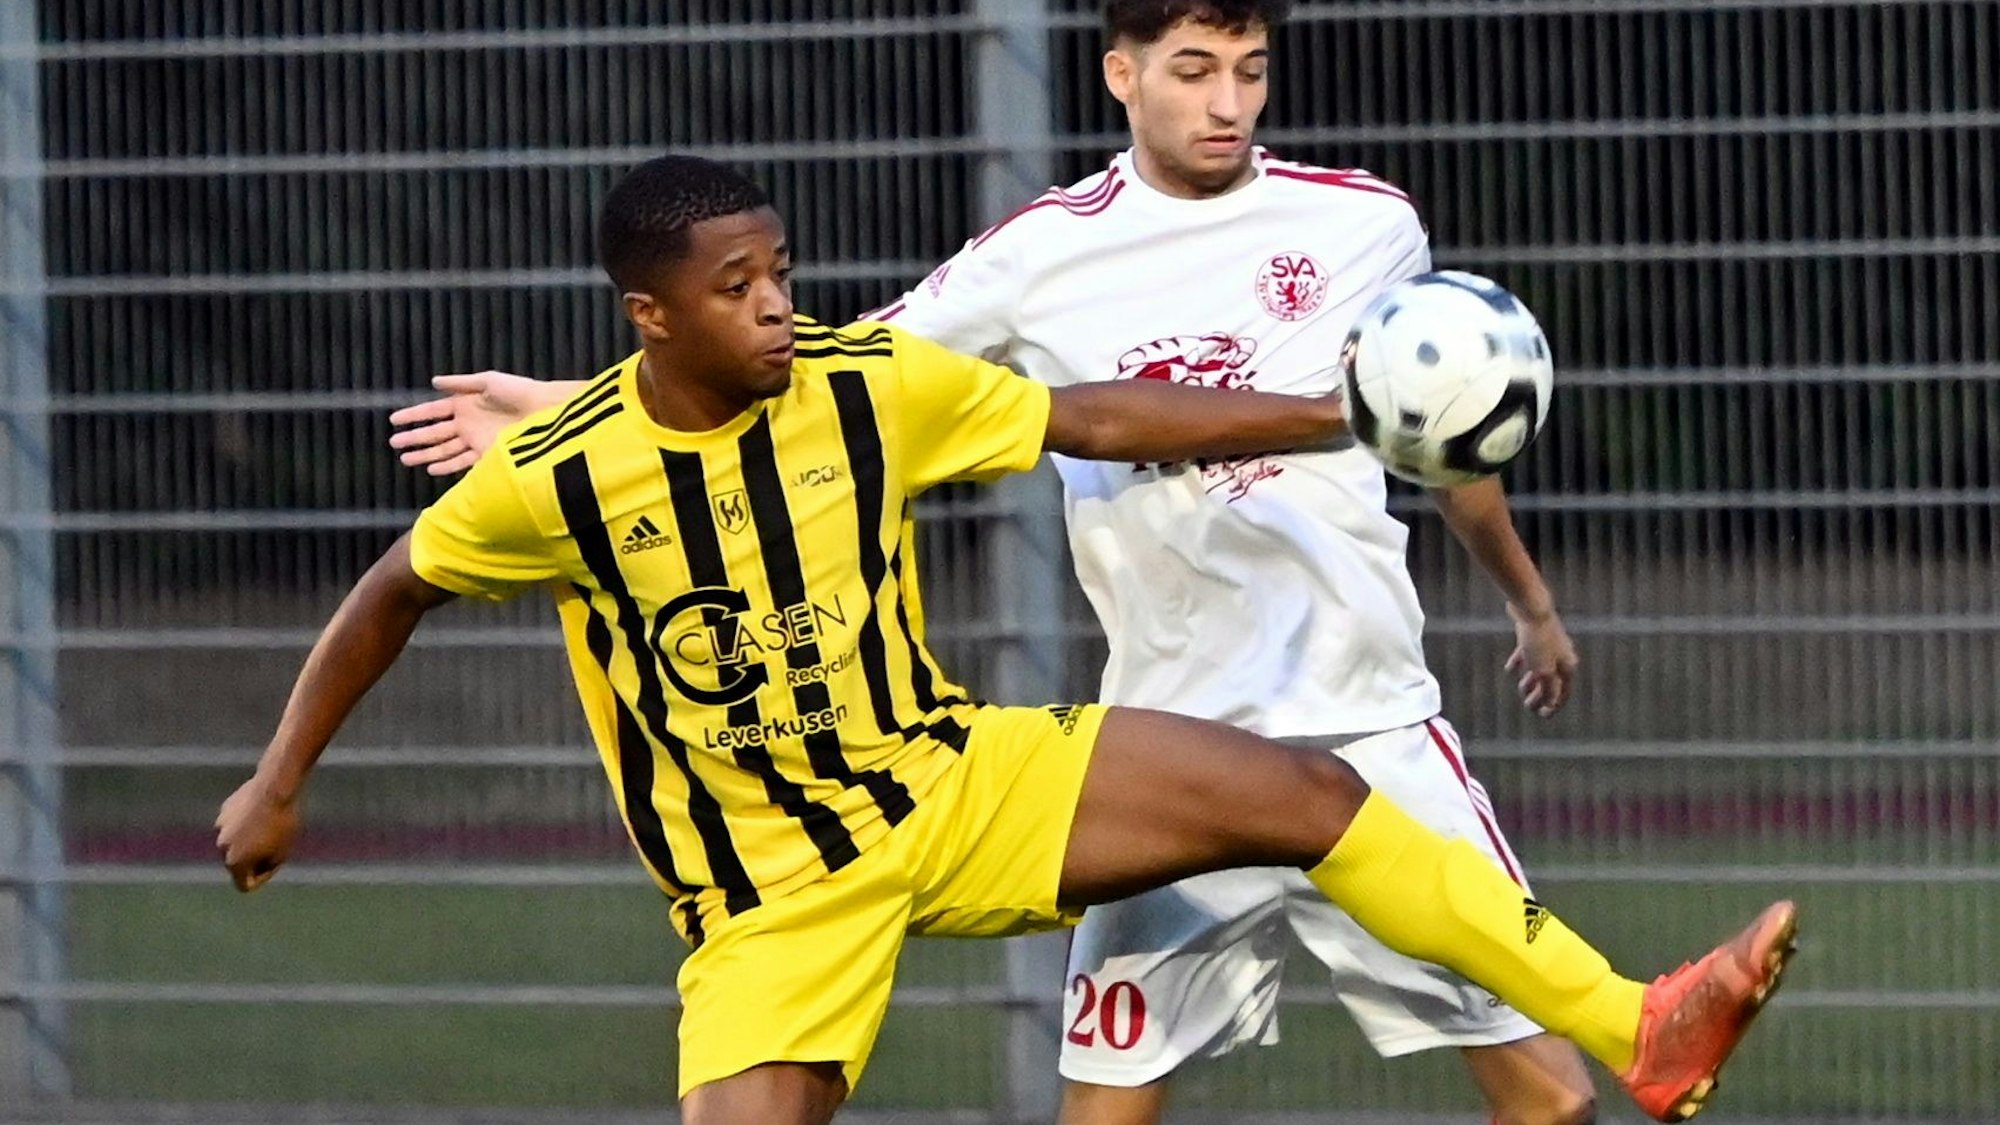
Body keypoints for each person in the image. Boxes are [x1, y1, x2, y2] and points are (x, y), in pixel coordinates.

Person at [237, 153, 1798, 1125]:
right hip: (771, 900)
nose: (779, 302)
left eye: (781, 268)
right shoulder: (558, 475)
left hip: (952, 781)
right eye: (738, 286)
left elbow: (1094, 413)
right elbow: (391, 592)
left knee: (1309, 798)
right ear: (654, 316)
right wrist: (278, 780)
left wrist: (1344, 409)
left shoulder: (865, 384)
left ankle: (1641, 1026)